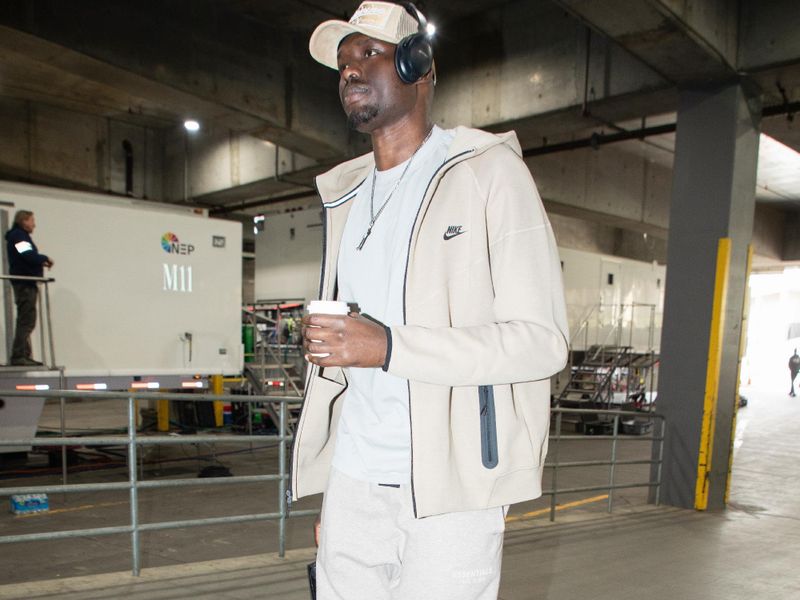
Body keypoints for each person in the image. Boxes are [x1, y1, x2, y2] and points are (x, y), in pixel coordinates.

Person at [294, 2, 569, 598]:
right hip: (355, 484)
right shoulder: (346, 196)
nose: (350, 70)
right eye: (343, 61)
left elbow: (541, 342)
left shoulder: (489, 174)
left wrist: (388, 346)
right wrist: (338, 497)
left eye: (369, 53)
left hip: (452, 489)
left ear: (419, 64)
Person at [5, 210, 53, 366]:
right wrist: (44, 258)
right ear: (24, 221)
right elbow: (27, 254)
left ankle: (23, 354)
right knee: (27, 320)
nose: (34, 224)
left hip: (26, 282)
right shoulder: (18, 236)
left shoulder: (18, 236)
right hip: (25, 283)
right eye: (32, 220)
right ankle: (19, 356)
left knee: (26, 319)